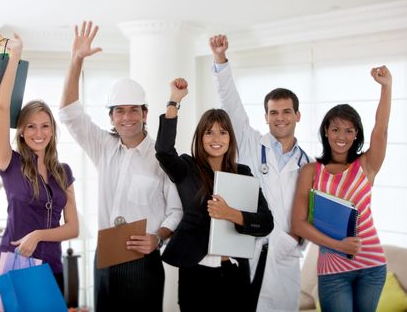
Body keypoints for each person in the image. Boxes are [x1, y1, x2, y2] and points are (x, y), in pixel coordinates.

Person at [58, 21, 183, 312]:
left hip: (143, 260)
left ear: (145, 114)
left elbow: (176, 210)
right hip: (104, 256)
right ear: (112, 117)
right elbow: (68, 112)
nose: (126, 117)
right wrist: (76, 60)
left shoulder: (162, 156)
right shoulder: (103, 146)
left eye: (133, 110)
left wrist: (158, 238)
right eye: (119, 111)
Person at [155, 78, 274, 312]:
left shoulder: (243, 173)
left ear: (230, 139)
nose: (216, 139)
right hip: (196, 274)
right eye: (209, 133)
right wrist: (174, 101)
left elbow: (266, 222)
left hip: (235, 274)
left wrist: (231, 214)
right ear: (200, 138)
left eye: (223, 133)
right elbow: (163, 151)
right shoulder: (187, 168)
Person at [210, 34, 310, 311]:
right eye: (274, 112)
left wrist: (297, 243)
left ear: (297, 115)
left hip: (288, 256)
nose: (280, 118)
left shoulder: (309, 163)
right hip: (252, 250)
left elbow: (313, 213)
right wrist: (220, 59)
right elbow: (230, 102)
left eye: (287, 111)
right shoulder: (252, 144)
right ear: (265, 116)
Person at [291, 66, 391, 312]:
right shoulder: (311, 171)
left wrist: (386, 87)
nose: (341, 136)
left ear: (356, 133)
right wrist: (339, 246)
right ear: (326, 131)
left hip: (372, 266)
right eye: (335, 129)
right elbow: (298, 224)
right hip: (332, 271)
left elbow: (382, 129)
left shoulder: (366, 165)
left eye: (349, 130)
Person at [0, 33, 79, 292]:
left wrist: (39, 234)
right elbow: (0, 107)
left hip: (52, 268)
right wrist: (15, 56)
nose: (38, 133)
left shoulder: (63, 172)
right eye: (30, 126)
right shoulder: (9, 162)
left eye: (44, 126)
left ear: (53, 130)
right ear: (20, 130)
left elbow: (73, 228)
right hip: (16, 263)